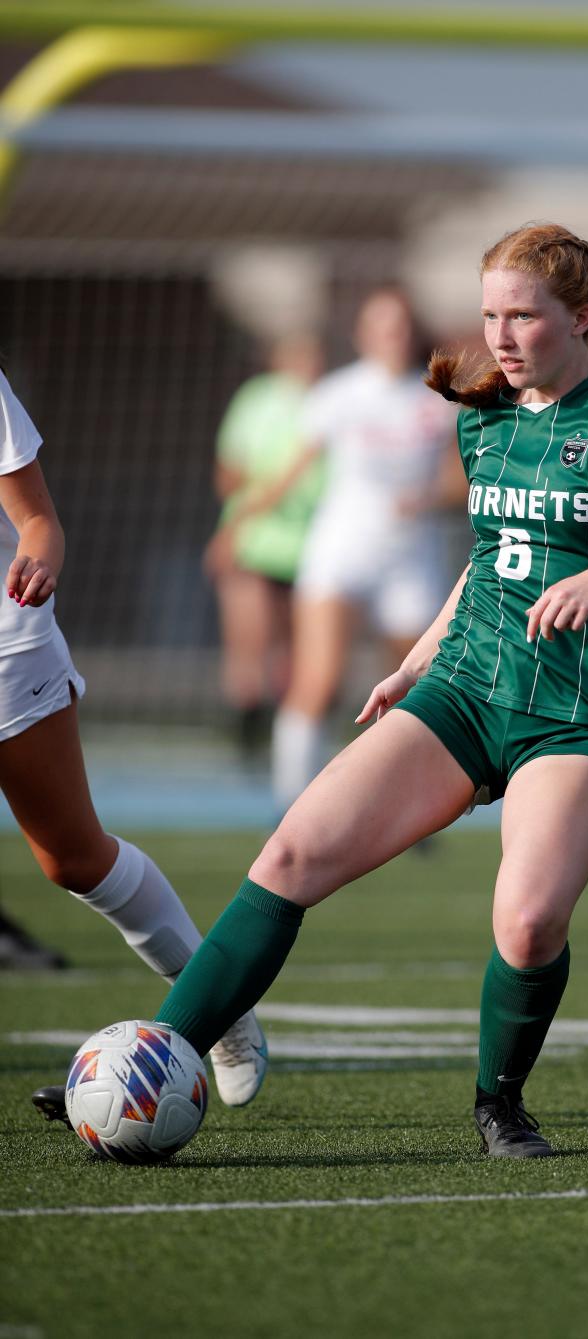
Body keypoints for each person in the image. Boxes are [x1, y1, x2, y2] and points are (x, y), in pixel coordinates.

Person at [144, 223, 588, 1158]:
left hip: (569, 715)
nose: (501, 334)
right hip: (461, 691)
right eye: (491, 313)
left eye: (525, 315)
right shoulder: (482, 412)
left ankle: (499, 1101)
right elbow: (490, 558)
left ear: (580, 317)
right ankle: (156, 1059)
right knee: (294, 852)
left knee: (531, 919)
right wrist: (418, 657)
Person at [0, 366, 266, 1120]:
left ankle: (218, 1010)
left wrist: (41, 559)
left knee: (73, 858)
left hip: (7, 649)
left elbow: (39, 522)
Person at [271, 286, 464, 812]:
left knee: (414, 684)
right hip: (341, 551)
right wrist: (240, 526)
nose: (392, 337)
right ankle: (292, 800)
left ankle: (400, 798)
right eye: (381, 326)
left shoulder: (437, 399)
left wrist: (426, 498)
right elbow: (289, 472)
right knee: (321, 677)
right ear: (362, 334)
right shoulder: (338, 394)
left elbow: (463, 481)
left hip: (411, 557)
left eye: (400, 326)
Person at [203, 332, 327, 758]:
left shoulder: (328, 405)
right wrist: (249, 509)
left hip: (307, 550)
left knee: (291, 658)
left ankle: (282, 750)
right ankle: (246, 741)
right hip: (252, 545)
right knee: (247, 647)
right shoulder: (256, 401)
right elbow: (228, 472)